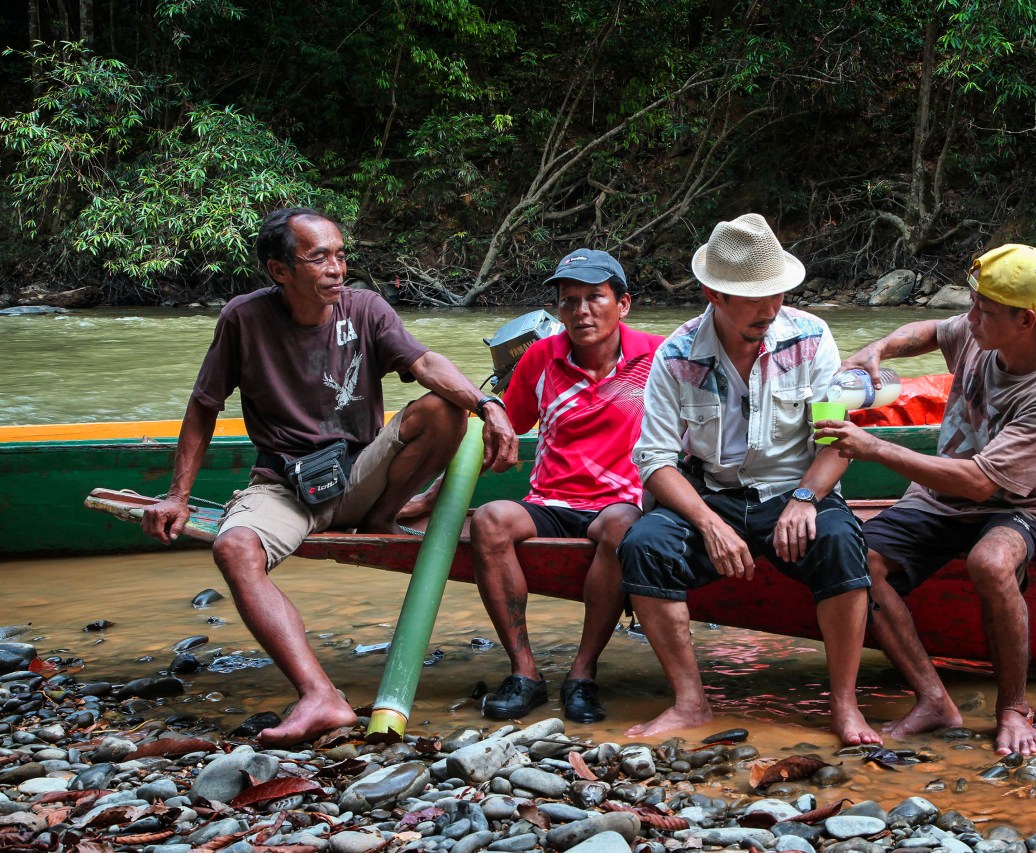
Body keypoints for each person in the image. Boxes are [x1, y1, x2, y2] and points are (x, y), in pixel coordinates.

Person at [141, 207, 519, 747]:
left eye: (340, 255)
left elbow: (425, 362)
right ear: (279, 270)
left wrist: (488, 405)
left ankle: (384, 514)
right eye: (318, 257)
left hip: (361, 472)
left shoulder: (365, 309)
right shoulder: (243, 319)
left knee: (442, 410)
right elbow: (203, 405)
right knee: (234, 549)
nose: (336, 268)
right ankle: (320, 695)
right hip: (284, 484)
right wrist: (178, 496)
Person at [617, 213, 880, 746]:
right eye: (755, 298)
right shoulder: (675, 356)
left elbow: (836, 440)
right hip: (711, 493)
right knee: (644, 546)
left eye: (777, 294)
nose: (771, 309)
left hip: (795, 490)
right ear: (714, 294)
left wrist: (807, 497)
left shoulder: (810, 337)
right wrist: (709, 523)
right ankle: (690, 702)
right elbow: (656, 461)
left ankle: (845, 707)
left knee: (840, 542)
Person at [815, 243, 1036, 756]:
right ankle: (933, 698)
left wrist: (874, 448)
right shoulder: (982, 334)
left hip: (1017, 506)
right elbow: (934, 331)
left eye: (986, 309)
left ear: (1026, 321)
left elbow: (982, 483)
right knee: (857, 561)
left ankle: (1013, 708)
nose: (972, 316)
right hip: (938, 497)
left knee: (990, 562)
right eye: (974, 303)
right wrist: (880, 349)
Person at [465, 249, 665, 724]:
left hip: (621, 502)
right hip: (550, 502)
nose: (581, 311)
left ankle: (582, 674)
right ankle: (525, 674)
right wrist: (436, 494)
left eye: (595, 297)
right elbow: (502, 433)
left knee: (623, 525)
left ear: (624, 304)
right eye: (569, 300)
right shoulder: (541, 357)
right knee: (490, 519)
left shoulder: (658, 356)